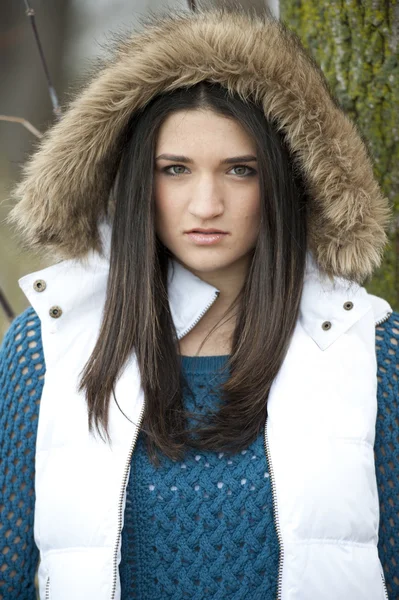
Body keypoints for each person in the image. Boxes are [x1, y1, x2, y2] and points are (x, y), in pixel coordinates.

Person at [0, 6, 398, 600]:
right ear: (139, 182)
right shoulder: (47, 347)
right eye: (176, 169)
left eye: (240, 170)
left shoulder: (368, 348)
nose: (206, 204)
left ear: (284, 183)